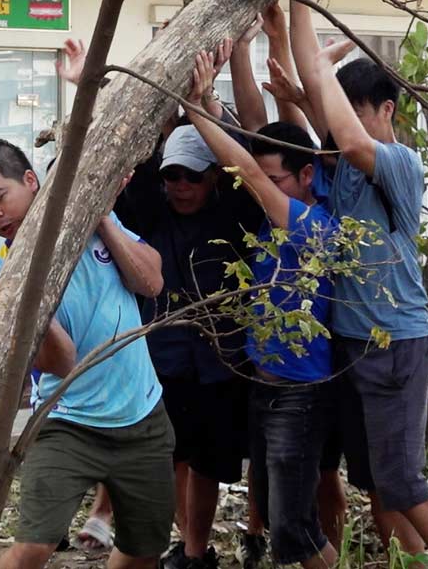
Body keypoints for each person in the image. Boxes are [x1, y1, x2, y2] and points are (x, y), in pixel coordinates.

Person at [289, 0, 428, 569]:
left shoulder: (397, 162)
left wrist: (317, 65)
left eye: (358, 112)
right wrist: (294, 1)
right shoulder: (341, 166)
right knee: (380, 483)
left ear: (386, 110)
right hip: (352, 344)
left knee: (403, 481)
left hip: (395, 343)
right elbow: (320, 105)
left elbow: (340, 122)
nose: (344, 127)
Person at [58, 39, 261, 569]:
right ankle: (143, 533)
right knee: (162, 455)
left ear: (213, 178)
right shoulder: (151, 212)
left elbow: (244, 160)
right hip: (161, 359)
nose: (179, 185)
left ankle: (195, 552)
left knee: (208, 466)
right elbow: (129, 156)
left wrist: (206, 104)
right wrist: (90, 91)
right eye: (173, 174)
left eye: (192, 176)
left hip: (218, 362)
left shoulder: (233, 215)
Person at [0, 139, 175, 569]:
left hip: (143, 416)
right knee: (34, 546)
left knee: (142, 551)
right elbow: (60, 363)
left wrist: (103, 219)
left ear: (30, 180)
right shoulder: (2, 279)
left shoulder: (92, 225)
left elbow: (151, 282)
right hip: (67, 423)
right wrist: (31, 297)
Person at [185, 48, 339, 569]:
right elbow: (254, 145)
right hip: (265, 383)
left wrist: (196, 108)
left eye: (276, 183)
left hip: (300, 394)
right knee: (282, 523)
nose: (264, 191)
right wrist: (210, 98)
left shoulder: (312, 226)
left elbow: (247, 168)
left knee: (296, 529)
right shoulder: (277, 225)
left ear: (307, 178)